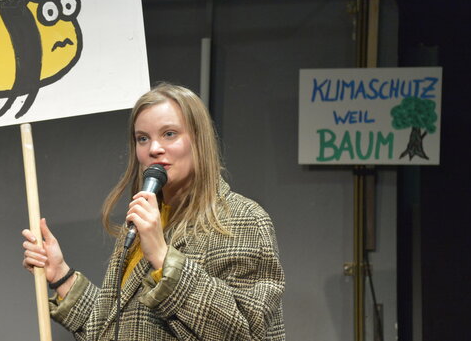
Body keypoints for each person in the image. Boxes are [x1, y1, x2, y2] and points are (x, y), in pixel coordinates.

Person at [21, 83, 285, 340]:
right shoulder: (143, 219)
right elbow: (119, 329)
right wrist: (61, 275)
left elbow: (244, 333)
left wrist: (162, 256)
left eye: (169, 134)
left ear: (198, 139)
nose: (154, 148)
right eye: (142, 138)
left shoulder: (242, 218)